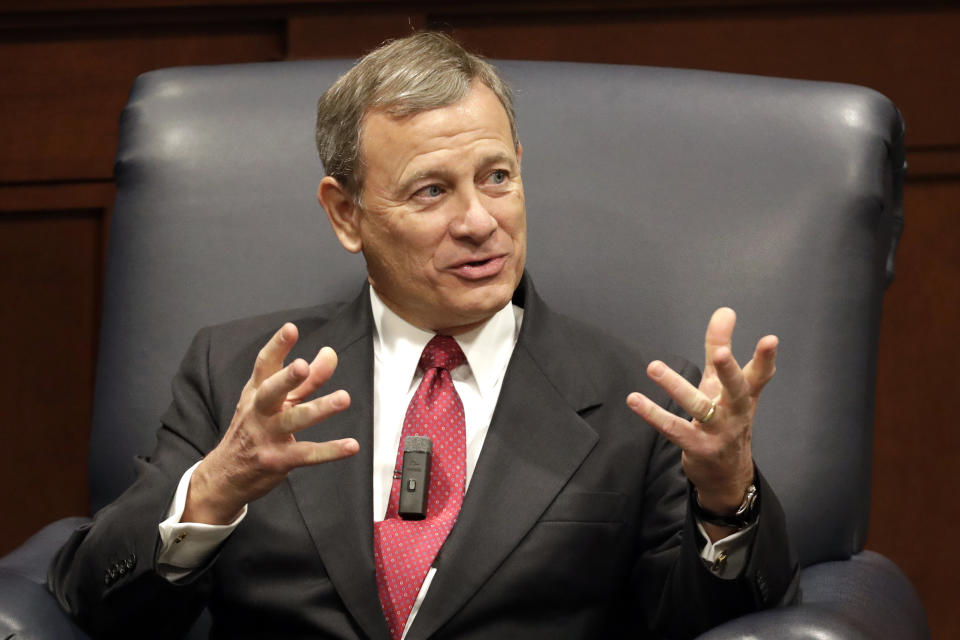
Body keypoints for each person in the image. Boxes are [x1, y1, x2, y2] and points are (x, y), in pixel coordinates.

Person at [49, 32, 798, 639]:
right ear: (346, 215)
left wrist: (727, 495)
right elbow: (97, 604)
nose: (479, 221)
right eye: (432, 190)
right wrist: (214, 489)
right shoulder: (240, 376)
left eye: (497, 177)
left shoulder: (633, 402)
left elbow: (708, 626)